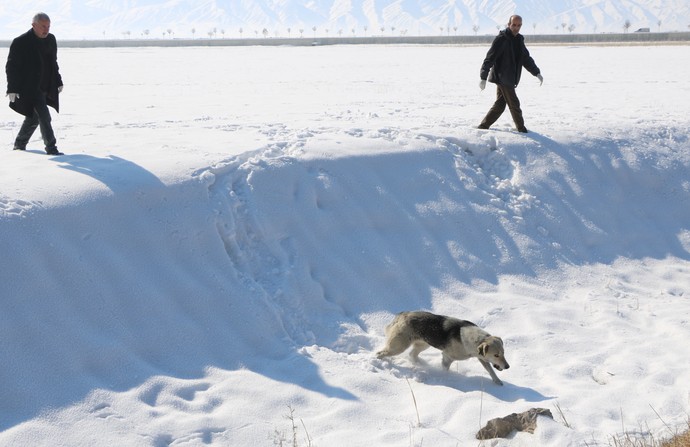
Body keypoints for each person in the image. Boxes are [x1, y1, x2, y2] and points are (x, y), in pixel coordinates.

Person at [6, 12, 64, 155]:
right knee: (45, 116)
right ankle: (51, 148)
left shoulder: (51, 39)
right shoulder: (21, 42)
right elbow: (11, 67)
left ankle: (19, 144)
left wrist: (58, 80)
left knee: (33, 118)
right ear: (34, 25)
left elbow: (53, 62)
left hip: (46, 85)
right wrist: (12, 88)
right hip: (30, 88)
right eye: (43, 26)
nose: (46, 29)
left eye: (48, 26)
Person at [478, 15, 542, 133]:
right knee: (514, 104)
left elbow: (526, 58)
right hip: (503, 77)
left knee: (500, 105)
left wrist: (536, 72)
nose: (516, 28)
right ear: (508, 24)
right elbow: (489, 59)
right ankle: (521, 129)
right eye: (514, 25)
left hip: (511, 78)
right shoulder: (501, 39)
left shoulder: (519, 40)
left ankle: (483, 126)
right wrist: (483, 77)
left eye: (519, 25)